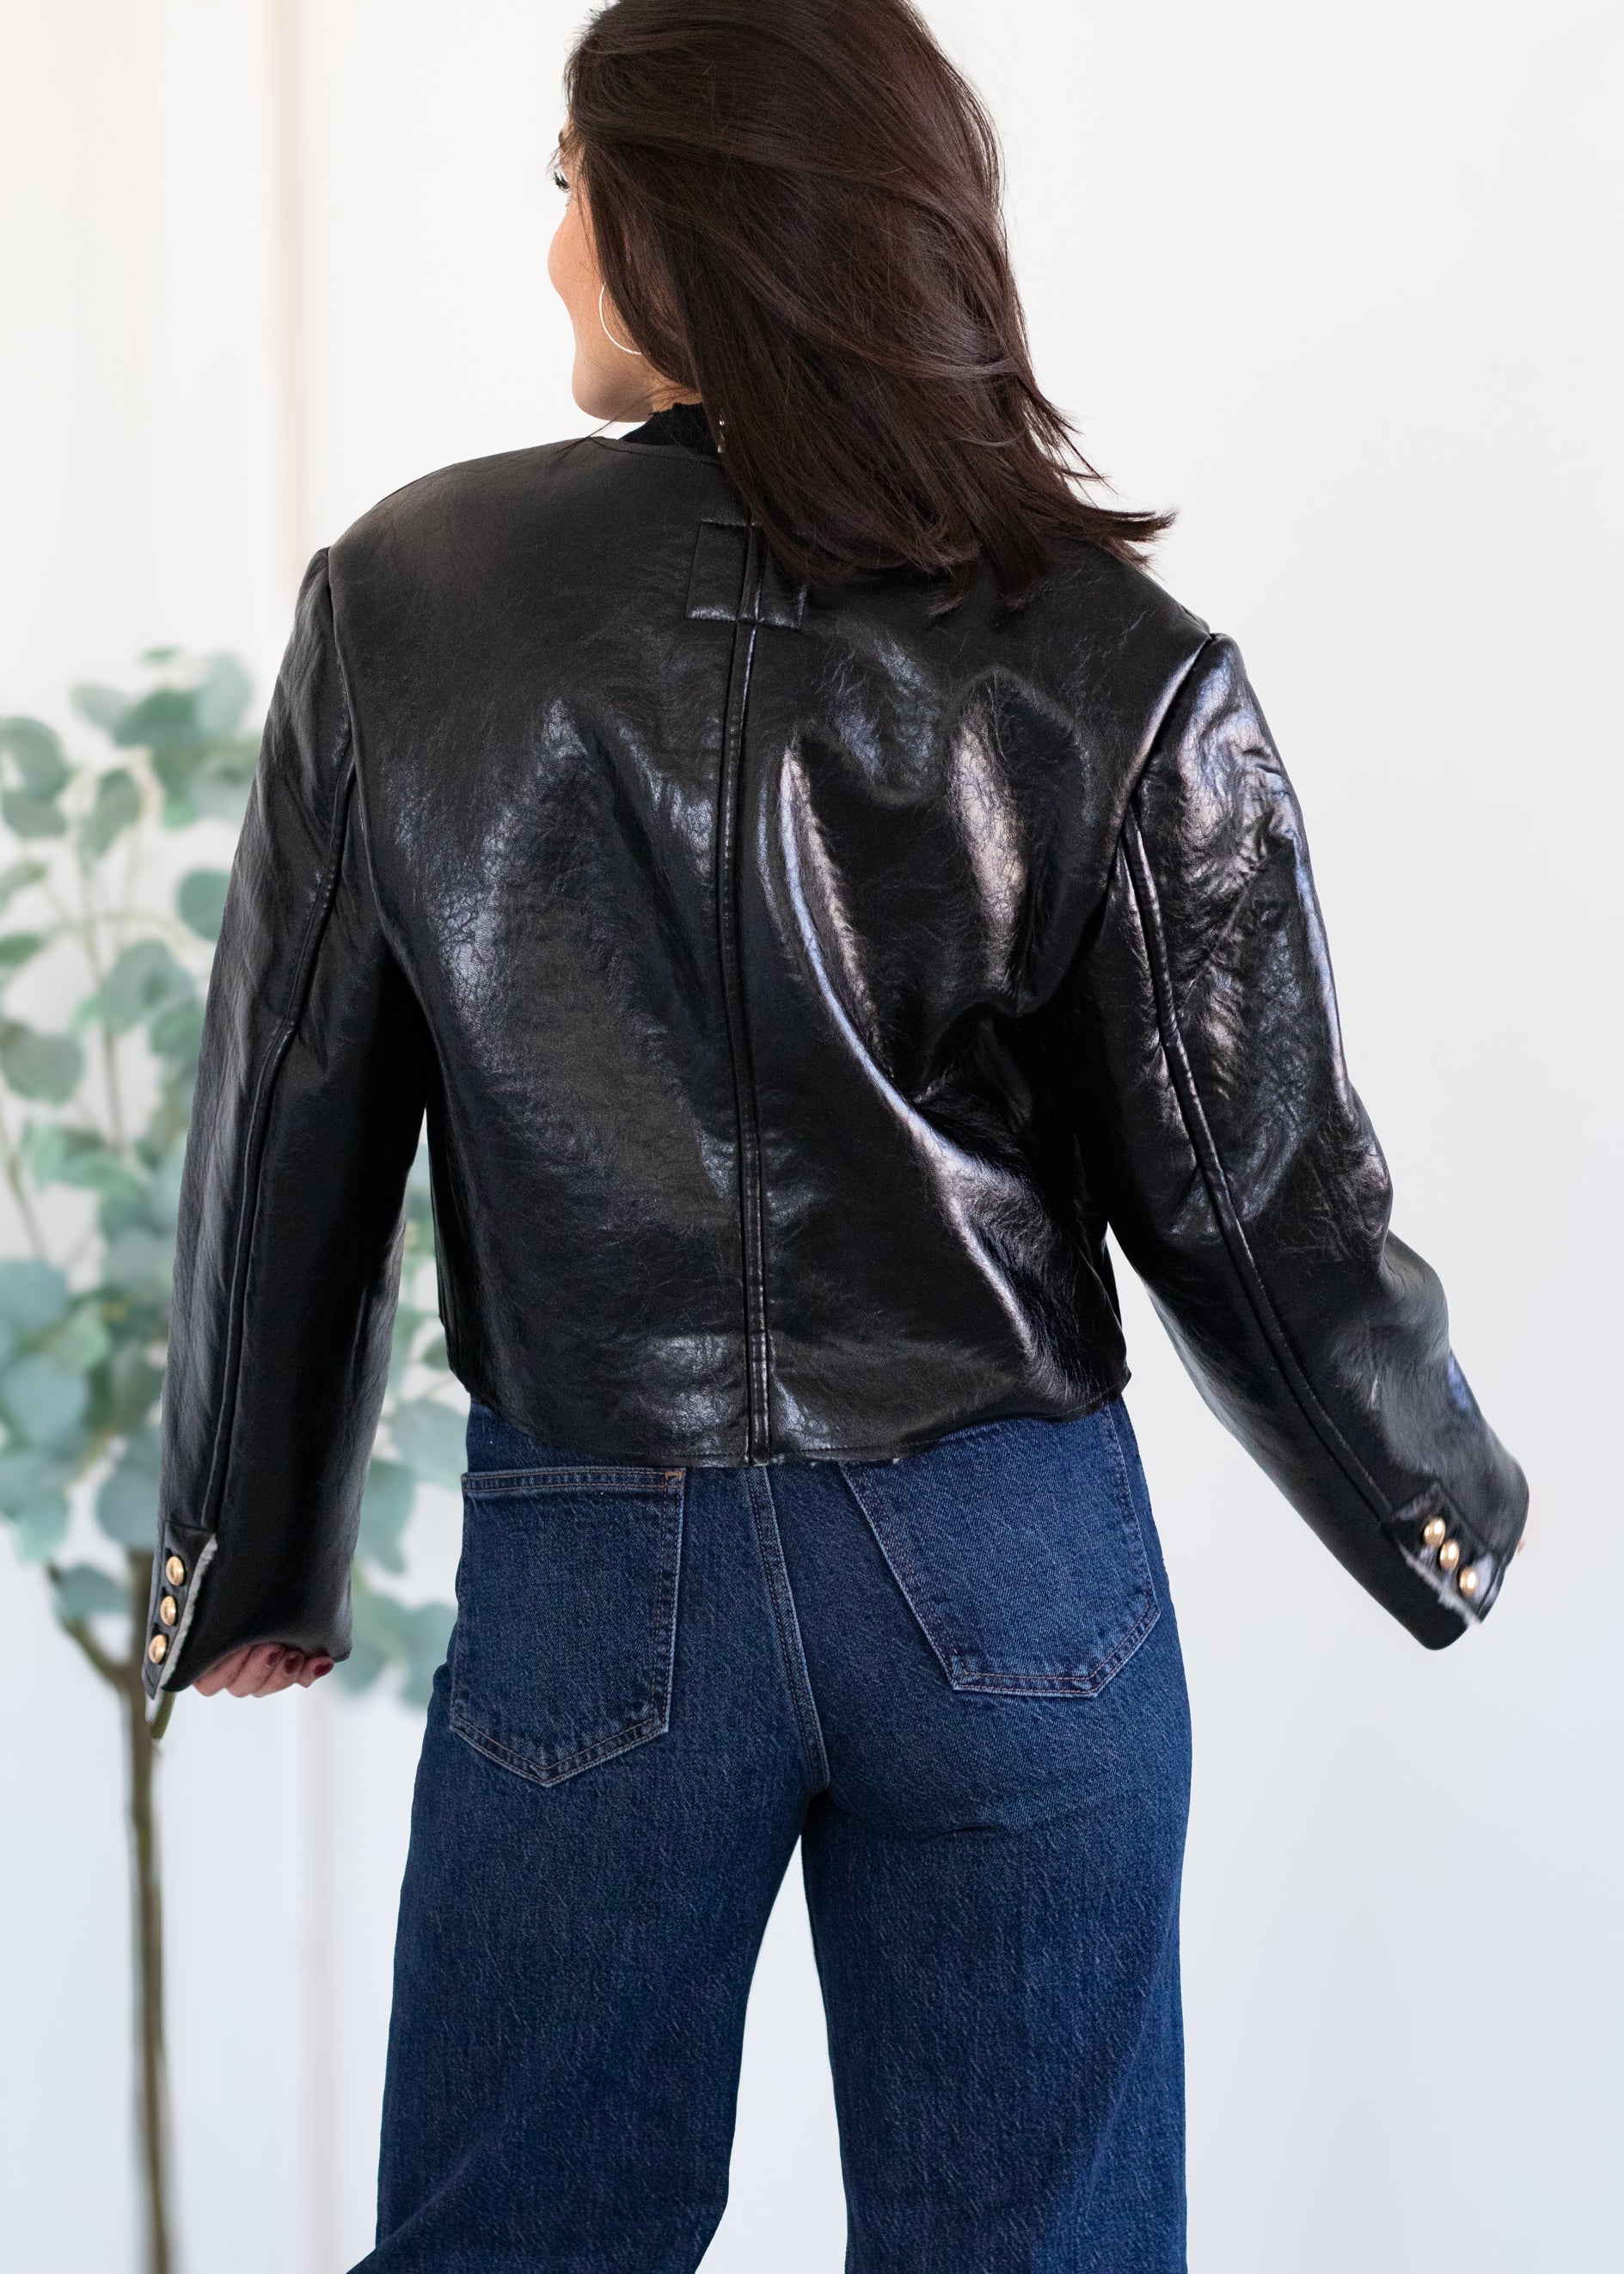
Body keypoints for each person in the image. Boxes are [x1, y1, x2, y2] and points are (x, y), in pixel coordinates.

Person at [147, 1, 1527, 2265]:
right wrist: (1430, 1500)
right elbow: (1252, 1182)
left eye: (569, 184)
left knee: (515, 2244)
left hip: (603, 1545)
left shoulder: (411, 600)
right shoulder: (1107, 651)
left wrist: (244, 1531)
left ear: (680, 219)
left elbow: (294, 1103)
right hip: (1011, 1563)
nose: (556, 245)